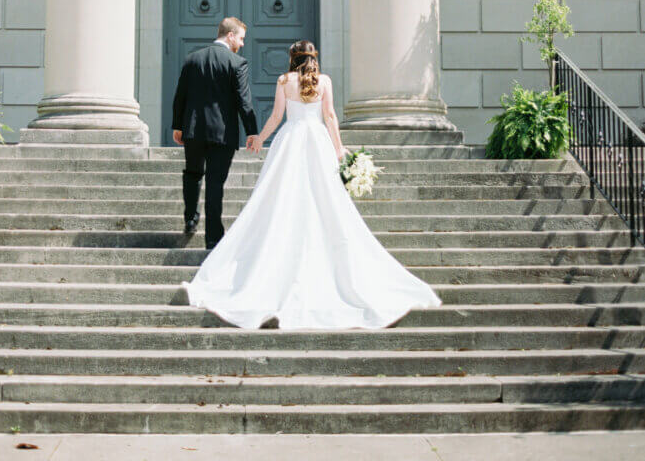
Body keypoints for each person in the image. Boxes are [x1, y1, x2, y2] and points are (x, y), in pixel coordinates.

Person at [182, 40, 443, 329]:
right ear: (314, 58)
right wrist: (340, 148)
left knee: (281, 198)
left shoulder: (284, 81)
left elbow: (277, 117)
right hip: (318, 141)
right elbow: (330, 116)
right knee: (326, 200)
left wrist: (259, 138)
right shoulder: (325, 81)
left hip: (290, 140)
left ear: (292, 58)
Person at [172, 17, 259, 250]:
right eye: (240, 38)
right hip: (222, 134)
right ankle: (213, 237)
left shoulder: (192, 59)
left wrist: (177, 125)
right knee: (214, 183)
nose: (241, 44)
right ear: (230, 35)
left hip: (193, 129)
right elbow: (244, 101)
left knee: (192, 173)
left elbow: (180, 96)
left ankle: (190, 218)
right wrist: (252, 131)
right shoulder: (237, 63)